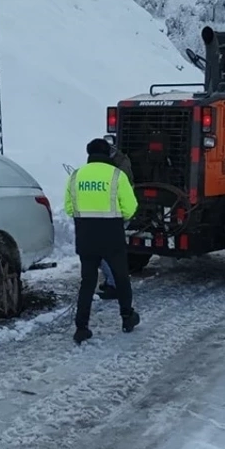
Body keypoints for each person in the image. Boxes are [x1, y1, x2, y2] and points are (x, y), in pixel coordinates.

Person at [64, 138, 140, 343]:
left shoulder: (76, 175)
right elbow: (131, 208)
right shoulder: (117, 175)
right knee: (122, 278)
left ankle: (81, 328)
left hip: (86, 237)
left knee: (87, 282)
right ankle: (127, 318)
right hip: (111, 236)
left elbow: (70, 208)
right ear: (108, 154)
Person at [98, 136, 135, 300]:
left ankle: (115, 285)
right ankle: (113, 282)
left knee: (105, 253)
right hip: (112, 215)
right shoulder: (119, 163)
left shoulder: (116, 170)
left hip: (112, 214)